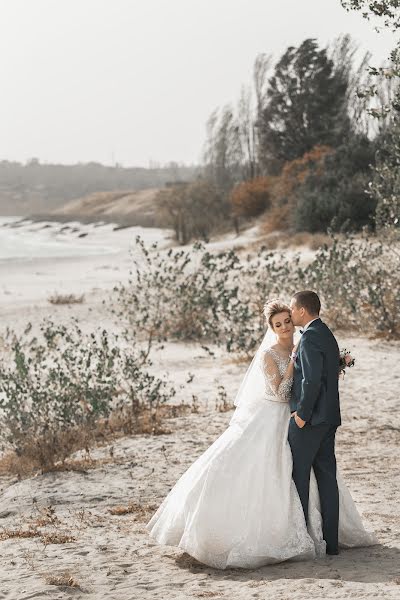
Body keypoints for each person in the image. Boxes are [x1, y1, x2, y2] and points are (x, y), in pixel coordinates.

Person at [145, 299, 377, 569]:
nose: (284, 328)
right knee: (276, 471)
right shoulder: (270, 354)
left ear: (294, 318)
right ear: (272, 328)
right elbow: (279, 391)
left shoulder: (305, 341)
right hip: (275, 415)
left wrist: (333, 368)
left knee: (308, 472)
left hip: (300, 416)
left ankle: (323, 535)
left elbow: (315, 376)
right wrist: (291, 364)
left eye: (287, 321)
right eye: (278, 325)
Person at [288, 290, 341, 555]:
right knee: (327, 478)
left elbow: (311, 381)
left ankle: (303, 540)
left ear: (301, 311)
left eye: (292, 308)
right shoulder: (326, 333)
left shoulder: (309, 339)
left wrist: (301, 415)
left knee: (298, 476)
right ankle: (331, 543)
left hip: (310, 421)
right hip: (330, 417)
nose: (290, 311)